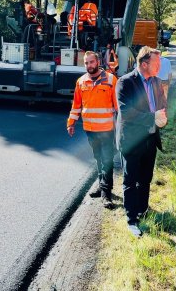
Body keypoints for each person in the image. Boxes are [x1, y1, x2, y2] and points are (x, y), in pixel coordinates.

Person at [115, 46, 167, 237]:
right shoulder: (125, 82)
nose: (160, 65)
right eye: (157, 62)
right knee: (131, 180)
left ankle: (143, 209)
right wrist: (153, 117)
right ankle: (131, 219)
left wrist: (163, 115)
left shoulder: (156, 82)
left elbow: (162, 104)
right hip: (132, 139)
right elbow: (126, 112)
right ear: (144, 64)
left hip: (150, 138)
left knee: (145, 178)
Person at [67, 51, 119, 208]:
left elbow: (118, 107)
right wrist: (71, 123)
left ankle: (106, 194)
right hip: (89, 129)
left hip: (107, 129)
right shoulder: (81, 82)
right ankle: (101, 186)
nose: (89, 65)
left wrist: (124, 126)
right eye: (86, 63)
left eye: (91, 62)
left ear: (98, 62)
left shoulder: (111, 80)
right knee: (98, 159)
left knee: (107, 160)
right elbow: (76, 105)